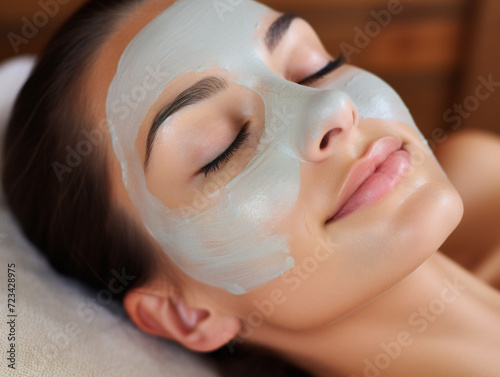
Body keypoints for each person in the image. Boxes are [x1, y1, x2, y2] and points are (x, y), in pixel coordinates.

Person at [2, 0, 500, 376]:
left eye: (313, 68)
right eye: (223, 147)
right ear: (186, 314)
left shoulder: (482, 180)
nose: (330, 109)